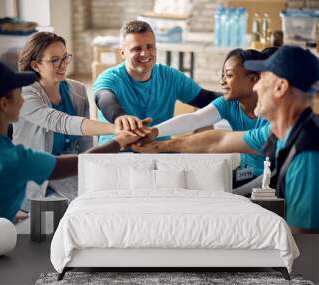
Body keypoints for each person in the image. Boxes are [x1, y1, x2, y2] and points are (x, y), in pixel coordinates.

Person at [133, 46, 319, 233]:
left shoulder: (306, 153)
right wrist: (159, 145)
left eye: (262, 78)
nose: (256, 86)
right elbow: (218, 141)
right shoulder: (278, 132)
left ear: (280, 87)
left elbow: (305, 244)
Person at [0, 61, 145, 223]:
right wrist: (119, 141)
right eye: (19, 90)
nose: (24, 95)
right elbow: (83, 162)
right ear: (3, 104)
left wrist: (1, 215)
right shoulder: (13, 158)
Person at [13, 32, 149, 202]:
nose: (63, 65)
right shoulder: (25, 93)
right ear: (35, 65)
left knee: (117, 185)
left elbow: (84, 144)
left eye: (65, 58)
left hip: (69, 167)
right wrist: (115, 128)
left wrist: (92, 172)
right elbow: (60, 122)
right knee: (97, 201)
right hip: (37, 175)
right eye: (55, 60)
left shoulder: (77, 90)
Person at [143, 48, 274, 187]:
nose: (222, 82)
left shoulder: (273, 110)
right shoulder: (228, 103)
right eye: (222, 76)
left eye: (229, 75)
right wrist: (153, 131)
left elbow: (218, 140)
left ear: (253, 79)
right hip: (245, 172)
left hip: (269, 176)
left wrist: (159, 146)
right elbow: (195, 119)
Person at [94, 20, 221, 144]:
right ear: (122, 53)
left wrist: (236, 96)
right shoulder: (109, 78)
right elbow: (104, 99)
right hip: (116, 154)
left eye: (150, 47)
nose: (144, 53)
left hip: (159, 151)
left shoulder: (170, 76)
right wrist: (119, 116)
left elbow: (205, 98)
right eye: (136, 49)